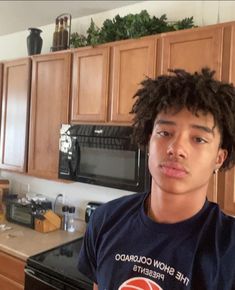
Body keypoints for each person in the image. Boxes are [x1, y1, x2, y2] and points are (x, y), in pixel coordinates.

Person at [78, 68, 235, 290]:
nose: (176, 148)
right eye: (164, 133)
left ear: (219, 158)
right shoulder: (105, 220)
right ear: (148, 140)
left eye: (198, 139)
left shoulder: (228, 250)